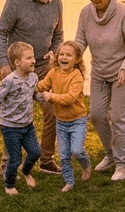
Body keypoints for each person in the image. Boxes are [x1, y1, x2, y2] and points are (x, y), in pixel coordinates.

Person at [0, 0, 64, 174]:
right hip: (18, 70)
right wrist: (3, 63)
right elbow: (0, 33)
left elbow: (59, 34)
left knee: (53, 111)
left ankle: (46, 159)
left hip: (44, 67)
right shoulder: (15, 2)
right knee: (15, 116)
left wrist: (55, 51)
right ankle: (8, 165)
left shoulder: (57, 3)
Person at [73, 0, 125, 182]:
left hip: (124, 73)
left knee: (119, 118)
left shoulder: (124, 14)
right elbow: (80, 41)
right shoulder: (86, 13)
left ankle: (122, 164)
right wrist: (67, 56)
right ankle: (110, 155)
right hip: (100, 72)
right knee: (97, 115)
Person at [0, 41, 41, 195]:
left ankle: (25, 172)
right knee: (15, 159)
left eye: (33, 57)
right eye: (29, 58)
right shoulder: (9, 81)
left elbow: (33, 94)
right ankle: (9, 185)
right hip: (10, 127)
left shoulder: (33, 78)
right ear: (17, 62)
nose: (34, 61)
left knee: (36, 152)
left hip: (28, 125)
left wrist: (43, 97)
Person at [37, 40, 91, 192]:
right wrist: (30, 80)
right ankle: (69, 182)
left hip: (77, 121)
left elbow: (70, 98)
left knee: (77, 150)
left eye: (69, 55)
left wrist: (51, 96)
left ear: (77, 59)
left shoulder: (76, 75)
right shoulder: (53, 72)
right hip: (61, 122)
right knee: (64, 155)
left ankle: (86, 165)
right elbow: (42, 85)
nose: (64, 57)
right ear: (57, 57)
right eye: (61, 54)